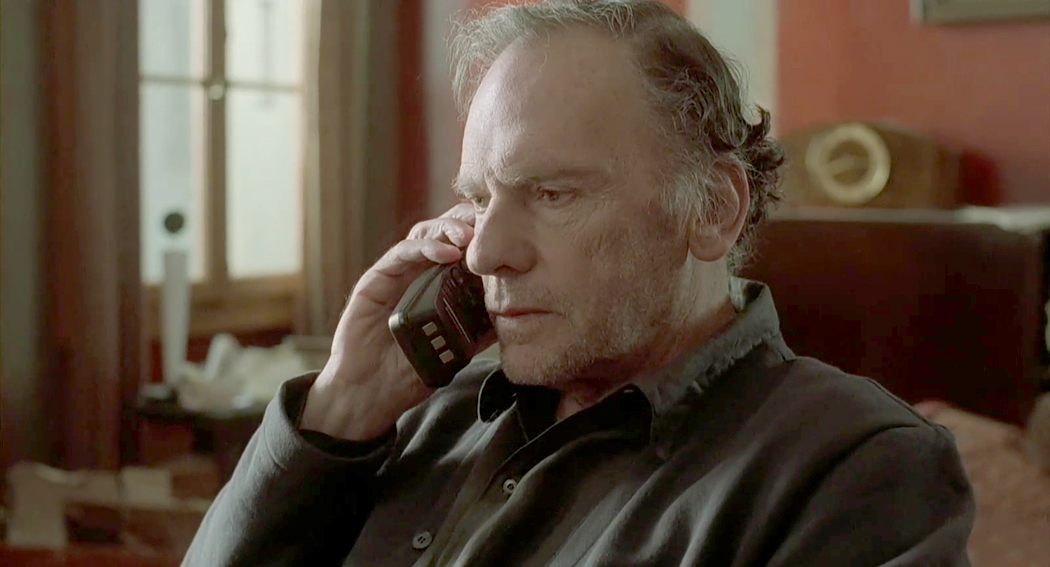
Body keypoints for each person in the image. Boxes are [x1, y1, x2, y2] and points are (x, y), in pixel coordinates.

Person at [182, 1, 974, 565]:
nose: (486, 252)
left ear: (712, 209)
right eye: (478, 200)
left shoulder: (856, 467)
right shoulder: (420, 419)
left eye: (553, 193)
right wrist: (341, 409)